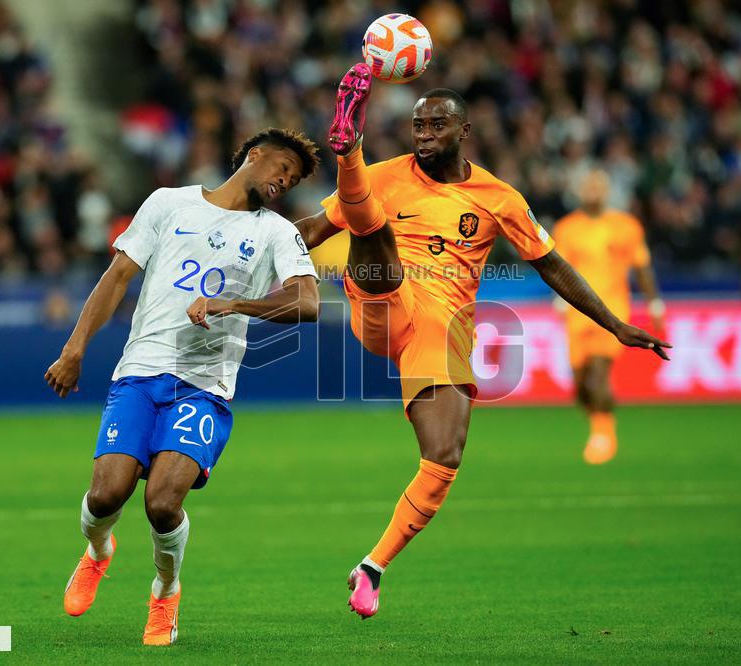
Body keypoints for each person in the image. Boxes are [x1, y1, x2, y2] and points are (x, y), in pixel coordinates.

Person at [295, 65, 670, 619]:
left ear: (464, 131)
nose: (423, 134)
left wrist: (614, 323)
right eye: (417, 125)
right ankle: (346, 149)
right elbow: (310, 232)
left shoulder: (500, 198)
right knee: (373, 230)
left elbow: (552, 265)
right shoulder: (387, 175)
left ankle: (373, 566)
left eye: (435, 125)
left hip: (443, 329)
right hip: (383, 302)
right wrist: (247, 253)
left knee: (444, 457)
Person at [45, 128, 320, 645]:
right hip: (140, 370)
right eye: (283, 167)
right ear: (253, 154)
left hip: (205, 385)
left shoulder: (278, 233)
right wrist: (75, 347)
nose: (287, 180)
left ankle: (165, 593)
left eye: (295, 178)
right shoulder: (169, 202)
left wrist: (233, 304)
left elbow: (306, 303)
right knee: (106, 495)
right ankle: (99, 552)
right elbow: (118, 275)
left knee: (162, 503)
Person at [553, 169, 665, 464]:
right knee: (580, 385)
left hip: (612, 312)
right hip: (577, 315)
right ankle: (598, 425)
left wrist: (654, 302)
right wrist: (559, 299)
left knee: (600, 374)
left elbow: (642, 266)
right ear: (579, 192)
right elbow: (559, 268)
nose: (592, 191)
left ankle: (604, 433)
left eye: (597, 186)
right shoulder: (567, 228)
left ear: (606, 190)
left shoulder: (626, 226)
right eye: (587, 186)